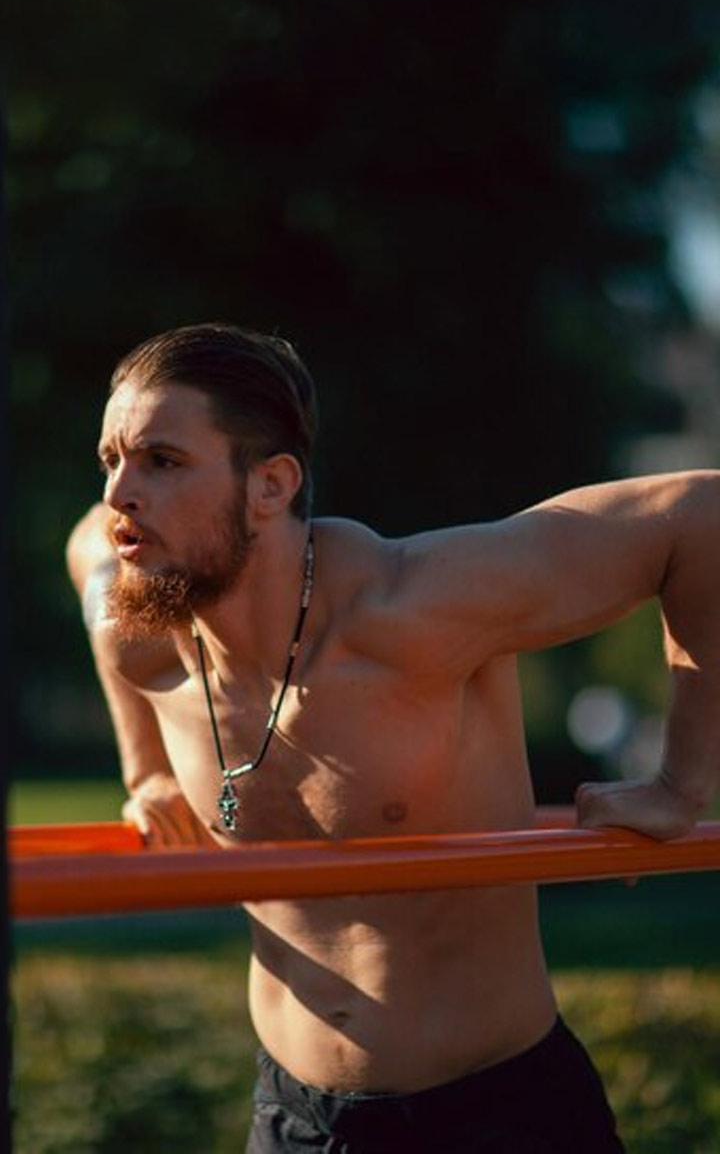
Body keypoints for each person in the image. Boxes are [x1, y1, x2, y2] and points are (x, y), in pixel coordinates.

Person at [66, 322, 720, 1153]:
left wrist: (679, 787)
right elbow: (83, 545)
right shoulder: (140, 634)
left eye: (162, 461)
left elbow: (701, 517)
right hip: (297, 1122)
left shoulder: (414, 609)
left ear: (270, 485)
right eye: (111, 460)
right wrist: (147, 771)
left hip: (500, 1115)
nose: (119, 493)